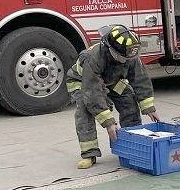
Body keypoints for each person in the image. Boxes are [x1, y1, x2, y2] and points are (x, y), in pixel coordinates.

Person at [65, 25, 159, 169]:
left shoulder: (129, 55)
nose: (128, 60)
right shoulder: (92, 58)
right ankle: (89, 153)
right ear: (112, 50)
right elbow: (92, 93)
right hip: (82, 82)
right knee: (85, 111)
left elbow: (140, 79)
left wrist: (149, 107)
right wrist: (108, 122)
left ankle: (132, 143)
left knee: (129, 101)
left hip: (110, 80)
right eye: (124, 57)